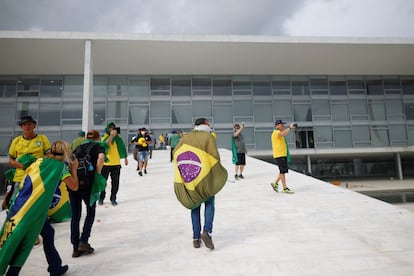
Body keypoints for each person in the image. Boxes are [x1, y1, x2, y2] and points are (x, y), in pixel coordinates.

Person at [0, 140, 79, 276]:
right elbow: (74, 186)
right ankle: (13, 273)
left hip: (19, 207)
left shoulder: (38, 162)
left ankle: (55, 267)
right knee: (23, 242)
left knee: (46, 234)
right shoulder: (60, 167)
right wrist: (74, 170)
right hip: (33, 212)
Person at [173, 118, 228, 250]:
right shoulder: (208, 136)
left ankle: (196, 238)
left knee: (194, 206)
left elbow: (176, 153)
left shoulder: (185, 138)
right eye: (208, 123)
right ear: (204, 124)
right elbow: (214, 155)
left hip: (191, 177)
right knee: (209, 203)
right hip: (205, 177)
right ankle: (207, 231)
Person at [69, 130, 105, 258]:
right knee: (90, 212)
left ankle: (75, 247)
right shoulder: (97, 146)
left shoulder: (77, 147)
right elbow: (101, 157)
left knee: (75, 215)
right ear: (97, 138)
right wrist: (98, 172)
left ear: (85, 137)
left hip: (73, 184)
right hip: (87, 185)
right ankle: (84, 241)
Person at [99, 122, 128, 206]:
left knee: (115, 182)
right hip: (106, 163)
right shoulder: (104, 137)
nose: (112, 130)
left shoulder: (118, 138)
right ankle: (101, 197)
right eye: (110, 128)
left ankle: (113, 197)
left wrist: (125, 158)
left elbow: (122, 147)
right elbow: (105, 146)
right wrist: (111, 136)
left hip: (116, 163)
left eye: (113, 128)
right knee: (103, 182)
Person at [270, 120, 296, 194]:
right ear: (277, 125)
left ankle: (275, 183)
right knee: (282, 171)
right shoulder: (276, 132)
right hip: (280, 155)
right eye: (282, 125)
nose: (283, 126)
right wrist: (290, 128)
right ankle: (284, 188)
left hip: (281, 154)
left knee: (282, 171)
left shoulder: (277, 132)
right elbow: (282, 134)